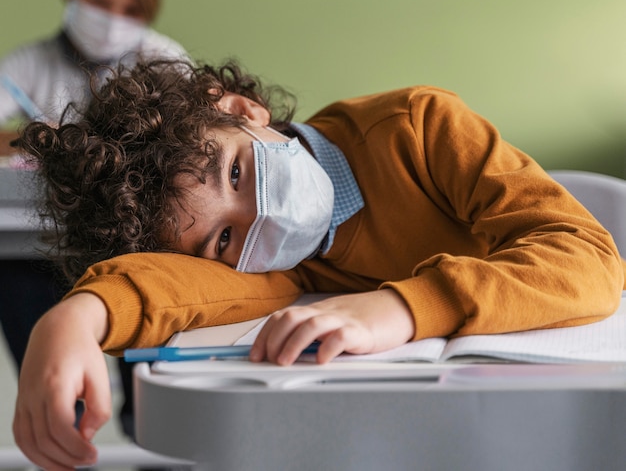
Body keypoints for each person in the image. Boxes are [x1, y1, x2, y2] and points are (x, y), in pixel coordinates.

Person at [12, 58, 625, 470]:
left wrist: (400, 307)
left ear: (242, 110)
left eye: (235, 172)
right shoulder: (272, 265)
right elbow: (168, 286)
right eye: (221, 239)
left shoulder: (418, 127)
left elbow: (587, 257)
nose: (260, 219)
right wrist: (75, 319)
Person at [0, 0, 188, 447]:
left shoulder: (163, 60)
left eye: (130, 11)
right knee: (61, 397)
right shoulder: (27, 65)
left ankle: (150, 434)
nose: (112, 22)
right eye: (101, 3)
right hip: (37, 251)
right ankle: (65, 432)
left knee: (153, 398)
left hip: (136, 244)